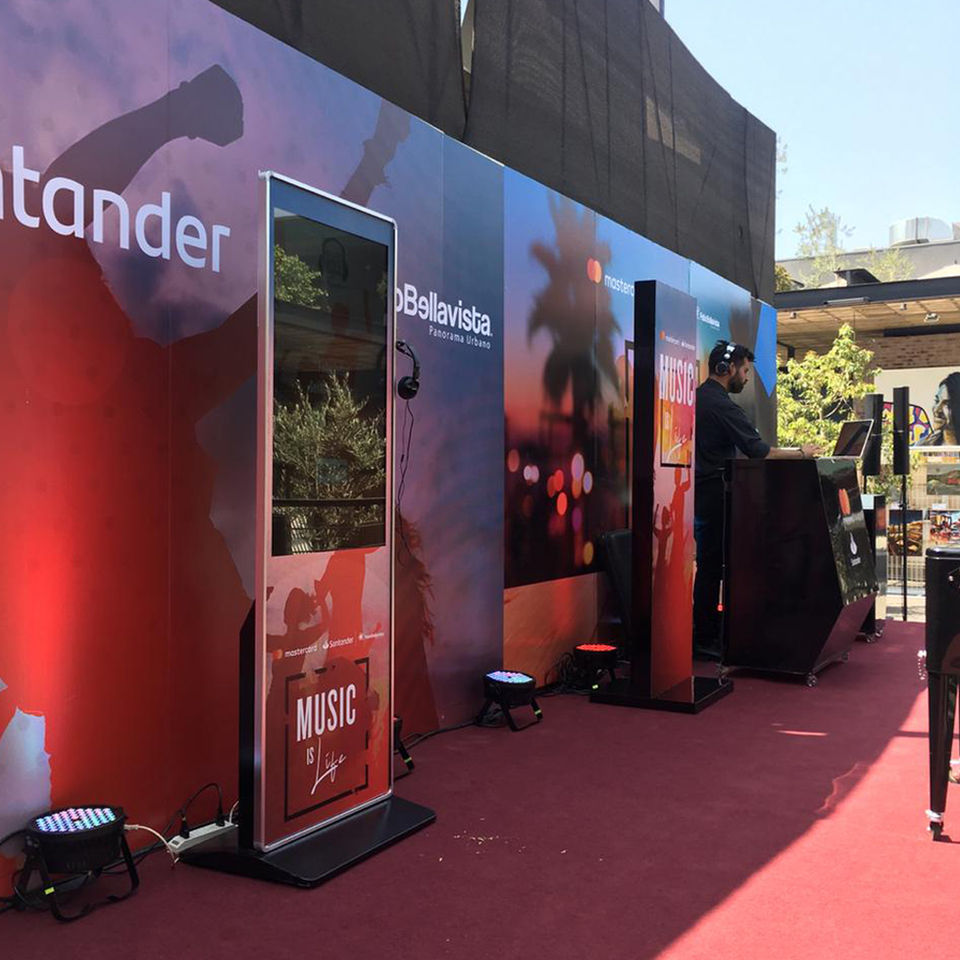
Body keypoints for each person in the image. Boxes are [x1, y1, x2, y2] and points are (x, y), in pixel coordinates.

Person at [693, 341, 819, 660]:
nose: (746, 378)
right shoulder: (720, 405)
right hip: (713, 496)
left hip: (703, 493)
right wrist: (802, 454)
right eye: (745, 371)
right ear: (727, 369)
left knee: (709, 565)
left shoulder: (700, 397)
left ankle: (707, 632)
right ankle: (705, 637)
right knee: (712, 566)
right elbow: (759, 451)